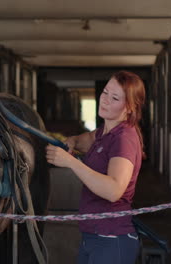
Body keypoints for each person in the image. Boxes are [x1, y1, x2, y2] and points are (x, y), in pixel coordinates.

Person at [46, 70, 146, 264]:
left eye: (115, 97)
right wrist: (72, 142)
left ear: (130, 107)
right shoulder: (104, 132)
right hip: (93, 236)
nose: (105, 100)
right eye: (105, 92)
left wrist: (70, 162)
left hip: (111, 240)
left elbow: (113, 190)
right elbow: (84, 140)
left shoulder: (123, 138)